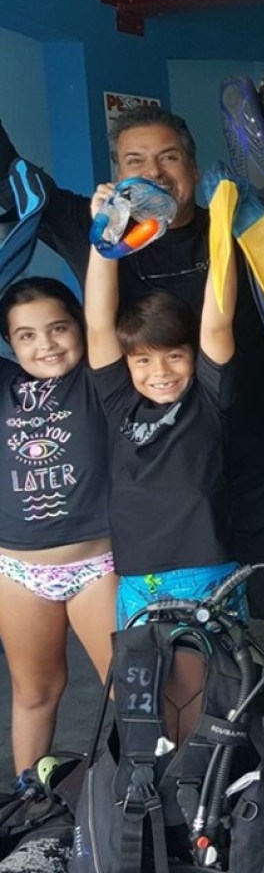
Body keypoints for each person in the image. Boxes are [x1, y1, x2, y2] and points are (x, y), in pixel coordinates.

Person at [0, 0, 264, 715]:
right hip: (164, 481)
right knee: (178, 649)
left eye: (169, 157)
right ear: (116, 172)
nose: (155, 172)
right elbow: (13, 169)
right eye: (136, 161)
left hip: (257, 455)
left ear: (193, 165)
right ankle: (203, 771)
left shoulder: (245, 222)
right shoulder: (94, 227)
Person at [84, 180, 239, 628]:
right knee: (148, 692)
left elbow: (216, 324)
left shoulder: (208, 398)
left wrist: (222, 228)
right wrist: (106, 235)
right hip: (136, 575)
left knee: (216, 689)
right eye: (144, 360)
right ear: (128, 362)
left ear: (192, 356)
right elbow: (98, 325)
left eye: (174, 356)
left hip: (206, 569)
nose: (161, 372)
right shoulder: (119, 402)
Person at [0, 278, 117, 776]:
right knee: (34, 693)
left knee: (132, 690)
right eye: (25, 335)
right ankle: (33, 801)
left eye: (57, 328)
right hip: (17, 572)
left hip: (97, 567)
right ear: (9, 343)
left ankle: (144, 808)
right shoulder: (3, 386)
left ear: (80, 328)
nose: (44, 343)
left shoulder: (99, 379)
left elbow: (102, 313)